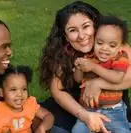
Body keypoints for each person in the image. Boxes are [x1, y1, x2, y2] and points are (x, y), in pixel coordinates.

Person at [39, 1, 131, 133]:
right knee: (54, 124)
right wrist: (85, 116)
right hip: (75, 106)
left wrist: (98, 83)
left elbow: (129, 77)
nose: (82, 36)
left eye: (86, 26)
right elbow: (57, 91)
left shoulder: (113, 45)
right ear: (65, 36)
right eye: (73, 30)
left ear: (96, 24)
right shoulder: (63, 53)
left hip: (112, 105)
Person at [72, 15, 130, 133]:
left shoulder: (119, 59)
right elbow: (78, 80)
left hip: (113, 111)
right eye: (99, 42)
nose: (104, 48)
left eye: (112, 45)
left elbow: (117, 77)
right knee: (77, 131)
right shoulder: (89, 58)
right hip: (88, 110)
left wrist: (94, 67)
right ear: (94, 41)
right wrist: (78, 67)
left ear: (120, 47)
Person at [0, 65, 54, 133]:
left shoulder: (30, 103)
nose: (20, 94)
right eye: (13, 90)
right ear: (1, 92)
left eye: (24, 89)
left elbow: (48, 116)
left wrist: (42, 128)